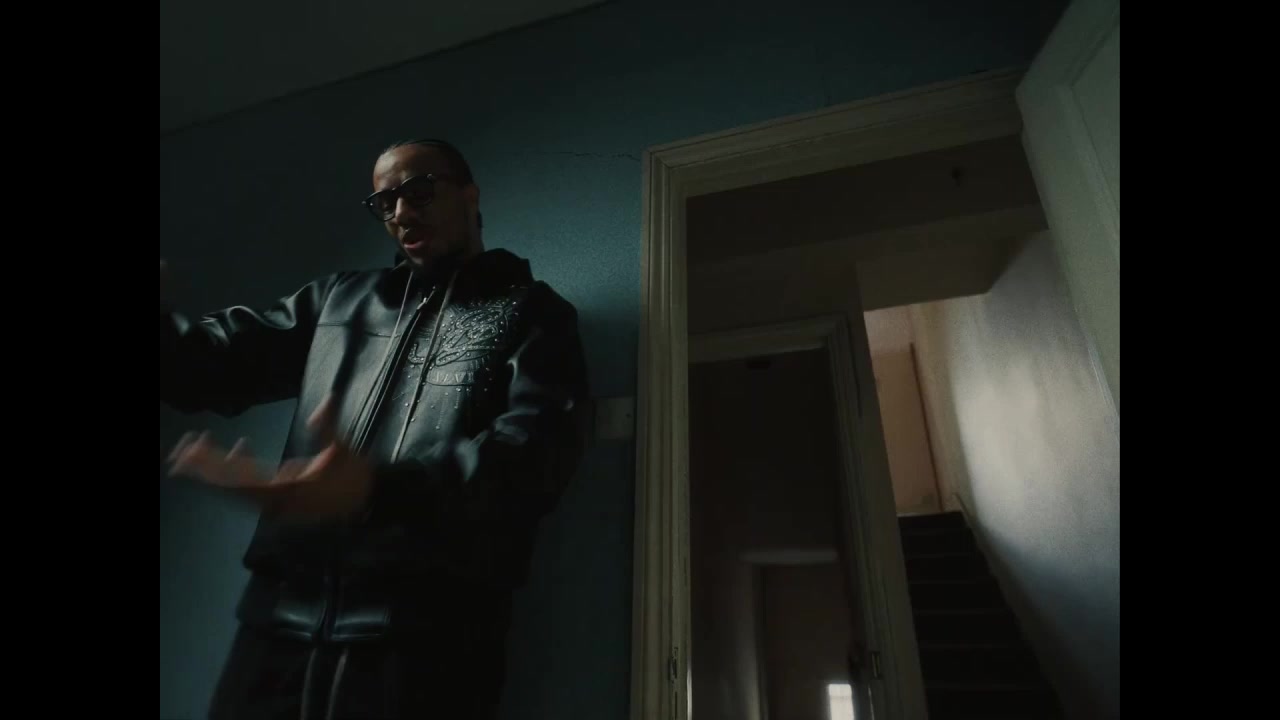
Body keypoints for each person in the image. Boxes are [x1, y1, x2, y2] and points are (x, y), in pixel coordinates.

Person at [161, 138, 591, 720]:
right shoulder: (337, 302)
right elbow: (208, 366)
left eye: (419, 192)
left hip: (429, 647)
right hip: (276, 632)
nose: (401, 213)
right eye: (385, 203)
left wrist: (375, 489)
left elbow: (533, 457)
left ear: (470, 195)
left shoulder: (533, 314)